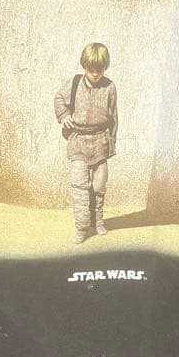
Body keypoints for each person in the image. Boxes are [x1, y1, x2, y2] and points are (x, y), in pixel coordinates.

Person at [55, 43, 118, 245]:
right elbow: (59, 99)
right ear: (84, 66)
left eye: (100, 69)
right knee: (80, 187)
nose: (95, 74)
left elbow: (114, 118)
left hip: (100, 142)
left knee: (99, 186)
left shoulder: (110, 87)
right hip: (79, 143)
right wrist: (64, 115)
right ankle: (81, 228)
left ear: (105, 67)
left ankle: (97, 221)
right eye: (91, 69)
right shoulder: (73, 83)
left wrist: (111, 143)